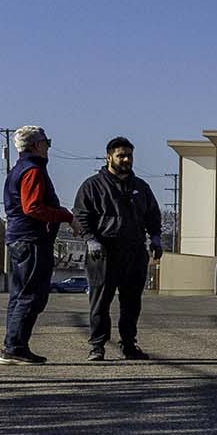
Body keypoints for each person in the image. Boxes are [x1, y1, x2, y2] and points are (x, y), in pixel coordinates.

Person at [72, 136, 163, 361]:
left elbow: (152, 215)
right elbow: (81, 215)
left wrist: (156, 238)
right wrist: (91, 240)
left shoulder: (141, 187)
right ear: (109, 157)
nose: (126, 159)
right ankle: (97, 346)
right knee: (100, 302)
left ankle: (129, 344)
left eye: (129, 155)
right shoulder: (92, 186)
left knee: (131, 303)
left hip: (134, 252)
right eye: (121, 155)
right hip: (103, 253)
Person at [0, 125, 77, 365]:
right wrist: (65, 215)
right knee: (31, 295)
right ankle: (15, 347)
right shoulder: (33, 171)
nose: (48, 147)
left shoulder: (18, 170)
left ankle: (14, 345)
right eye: (47, 142)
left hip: (19, 238)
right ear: (36, 145)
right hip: (31, 240)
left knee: (20, 294)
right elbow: (32, 207)